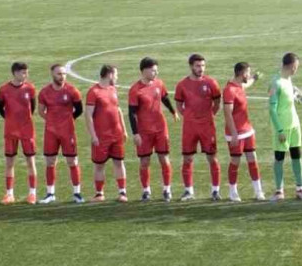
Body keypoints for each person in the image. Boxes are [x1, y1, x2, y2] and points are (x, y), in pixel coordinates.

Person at [128, 57, 178, 202]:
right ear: (144, 70)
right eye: (153, 70)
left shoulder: (159, 83)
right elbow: (132, 113)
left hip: (161, 128)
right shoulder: (135, 90)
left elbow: (165, 97)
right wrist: (135, 133)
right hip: (144, 131)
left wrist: (172, 111)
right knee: (144, 161)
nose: (156, 72)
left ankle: (167, 189)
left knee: (164, 159)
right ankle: (146, 190)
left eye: (157, 70)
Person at [174, 54, 222, 201]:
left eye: (202, 66)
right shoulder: (182, 85)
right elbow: (178, 105)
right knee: (187, 158)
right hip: (189, 128)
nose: (201, 69)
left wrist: (209, 116)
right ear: (191, 66)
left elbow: (217, 103)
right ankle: (188, 191)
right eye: (197, 66)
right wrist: (188, 116)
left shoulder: (211, 83)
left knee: (212, 158)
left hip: (207, 127)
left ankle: (215, 191)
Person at [37, 64, 84, 204]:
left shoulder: (72, 91)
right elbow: (40, 111)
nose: (62, 76)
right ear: (52, 74)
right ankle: (50, 193)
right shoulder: (44, 92)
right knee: (50, 162)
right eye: (59, 74)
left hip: (68, 131)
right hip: (51, 132)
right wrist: (52, 121)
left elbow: (79, 109)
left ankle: (77, 193)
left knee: (72, 161)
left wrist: (68, 120)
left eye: (64, 73)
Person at [269, 53, 302, 201]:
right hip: (282, 127)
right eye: (297, 67)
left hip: (294, 125)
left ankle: (300, 189)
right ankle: (279, 191)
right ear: (293, 66)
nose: (296, 70)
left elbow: (292, 90)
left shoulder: (288, 79)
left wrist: (301, 96)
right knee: (279, 158)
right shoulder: (275, 83)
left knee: (296, 156)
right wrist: (279, 129)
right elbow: (272, 109)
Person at [84, 65, 128, 203]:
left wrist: (124, 129)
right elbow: (88, 115)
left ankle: (122, 192)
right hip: (101, 136)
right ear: (109, 74)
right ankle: (99, 193)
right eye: (116, 74)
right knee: (99, 165)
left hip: (117, 134)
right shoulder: (94, 92)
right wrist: (93, 135)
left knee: (119, 162)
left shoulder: (112, 89)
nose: (117, 77)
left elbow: (118, 109)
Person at [223, 62, 265, 202]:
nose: (249, 75)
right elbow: (227, 114)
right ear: (241, 73)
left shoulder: (240, 85)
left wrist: (255, 77)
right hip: (236, 133)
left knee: (252, 158)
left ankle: (258, 191)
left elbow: (248, 84)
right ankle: (233, 192)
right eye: (248, 72)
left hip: (247, 130)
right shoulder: (229, 90)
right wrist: (234, 133)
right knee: (235, 161)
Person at [0, 62, 38, 205]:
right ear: (14, 73)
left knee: (30, 161)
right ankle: (9, 194)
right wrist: (11, 120)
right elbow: (0, 109)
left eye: (26, 72)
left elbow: (32, 107)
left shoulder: (30, 88)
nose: (25, 75)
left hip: (27, 130)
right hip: (10, 131)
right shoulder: (3, 89)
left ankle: (32, 193)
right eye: (23, 72)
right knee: (9, 163)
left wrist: (23, 121)